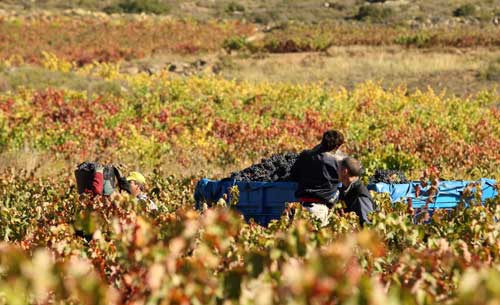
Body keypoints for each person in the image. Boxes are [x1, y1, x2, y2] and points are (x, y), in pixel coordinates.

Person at [290, 130, 345, 226]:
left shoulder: (305, 156)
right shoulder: (336, 164)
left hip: (301, 208)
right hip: (319, 209)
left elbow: (293, 174)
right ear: (337, 147)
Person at [337, 157, 374, 226]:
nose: (336, 171)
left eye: (338, 169)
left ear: (345, 171)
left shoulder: (360, 195)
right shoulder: (345, 189)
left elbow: (366, 225)